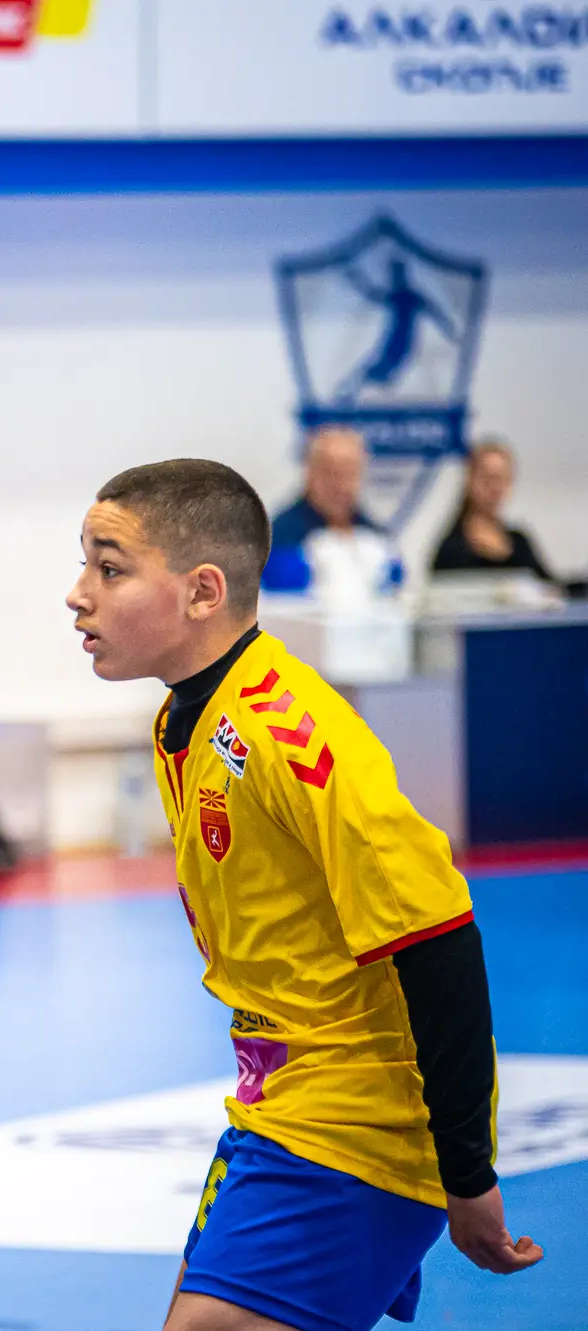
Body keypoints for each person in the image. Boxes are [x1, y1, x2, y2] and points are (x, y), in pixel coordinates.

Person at [66, 459, 541, 1331]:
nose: (79, 593)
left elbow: (438, 937)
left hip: (354, 1121)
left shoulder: (297, 734)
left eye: (110, 567)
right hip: (274, 1104)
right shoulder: (183, 720)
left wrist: (467, 1173)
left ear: (203, 591)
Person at [262, 426, 398, 600]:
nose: (341, 485)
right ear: (310, 473)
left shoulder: (377, 537)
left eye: (350, 474)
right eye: (332, 473)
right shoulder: (280, 538)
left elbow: (396, 586)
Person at [431, 438, 556, 581]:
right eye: (488, 478)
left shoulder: (519, 542)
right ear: (470, 480)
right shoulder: (452, 549)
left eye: (502, 479)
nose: (495, 487)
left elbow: (550, 586)